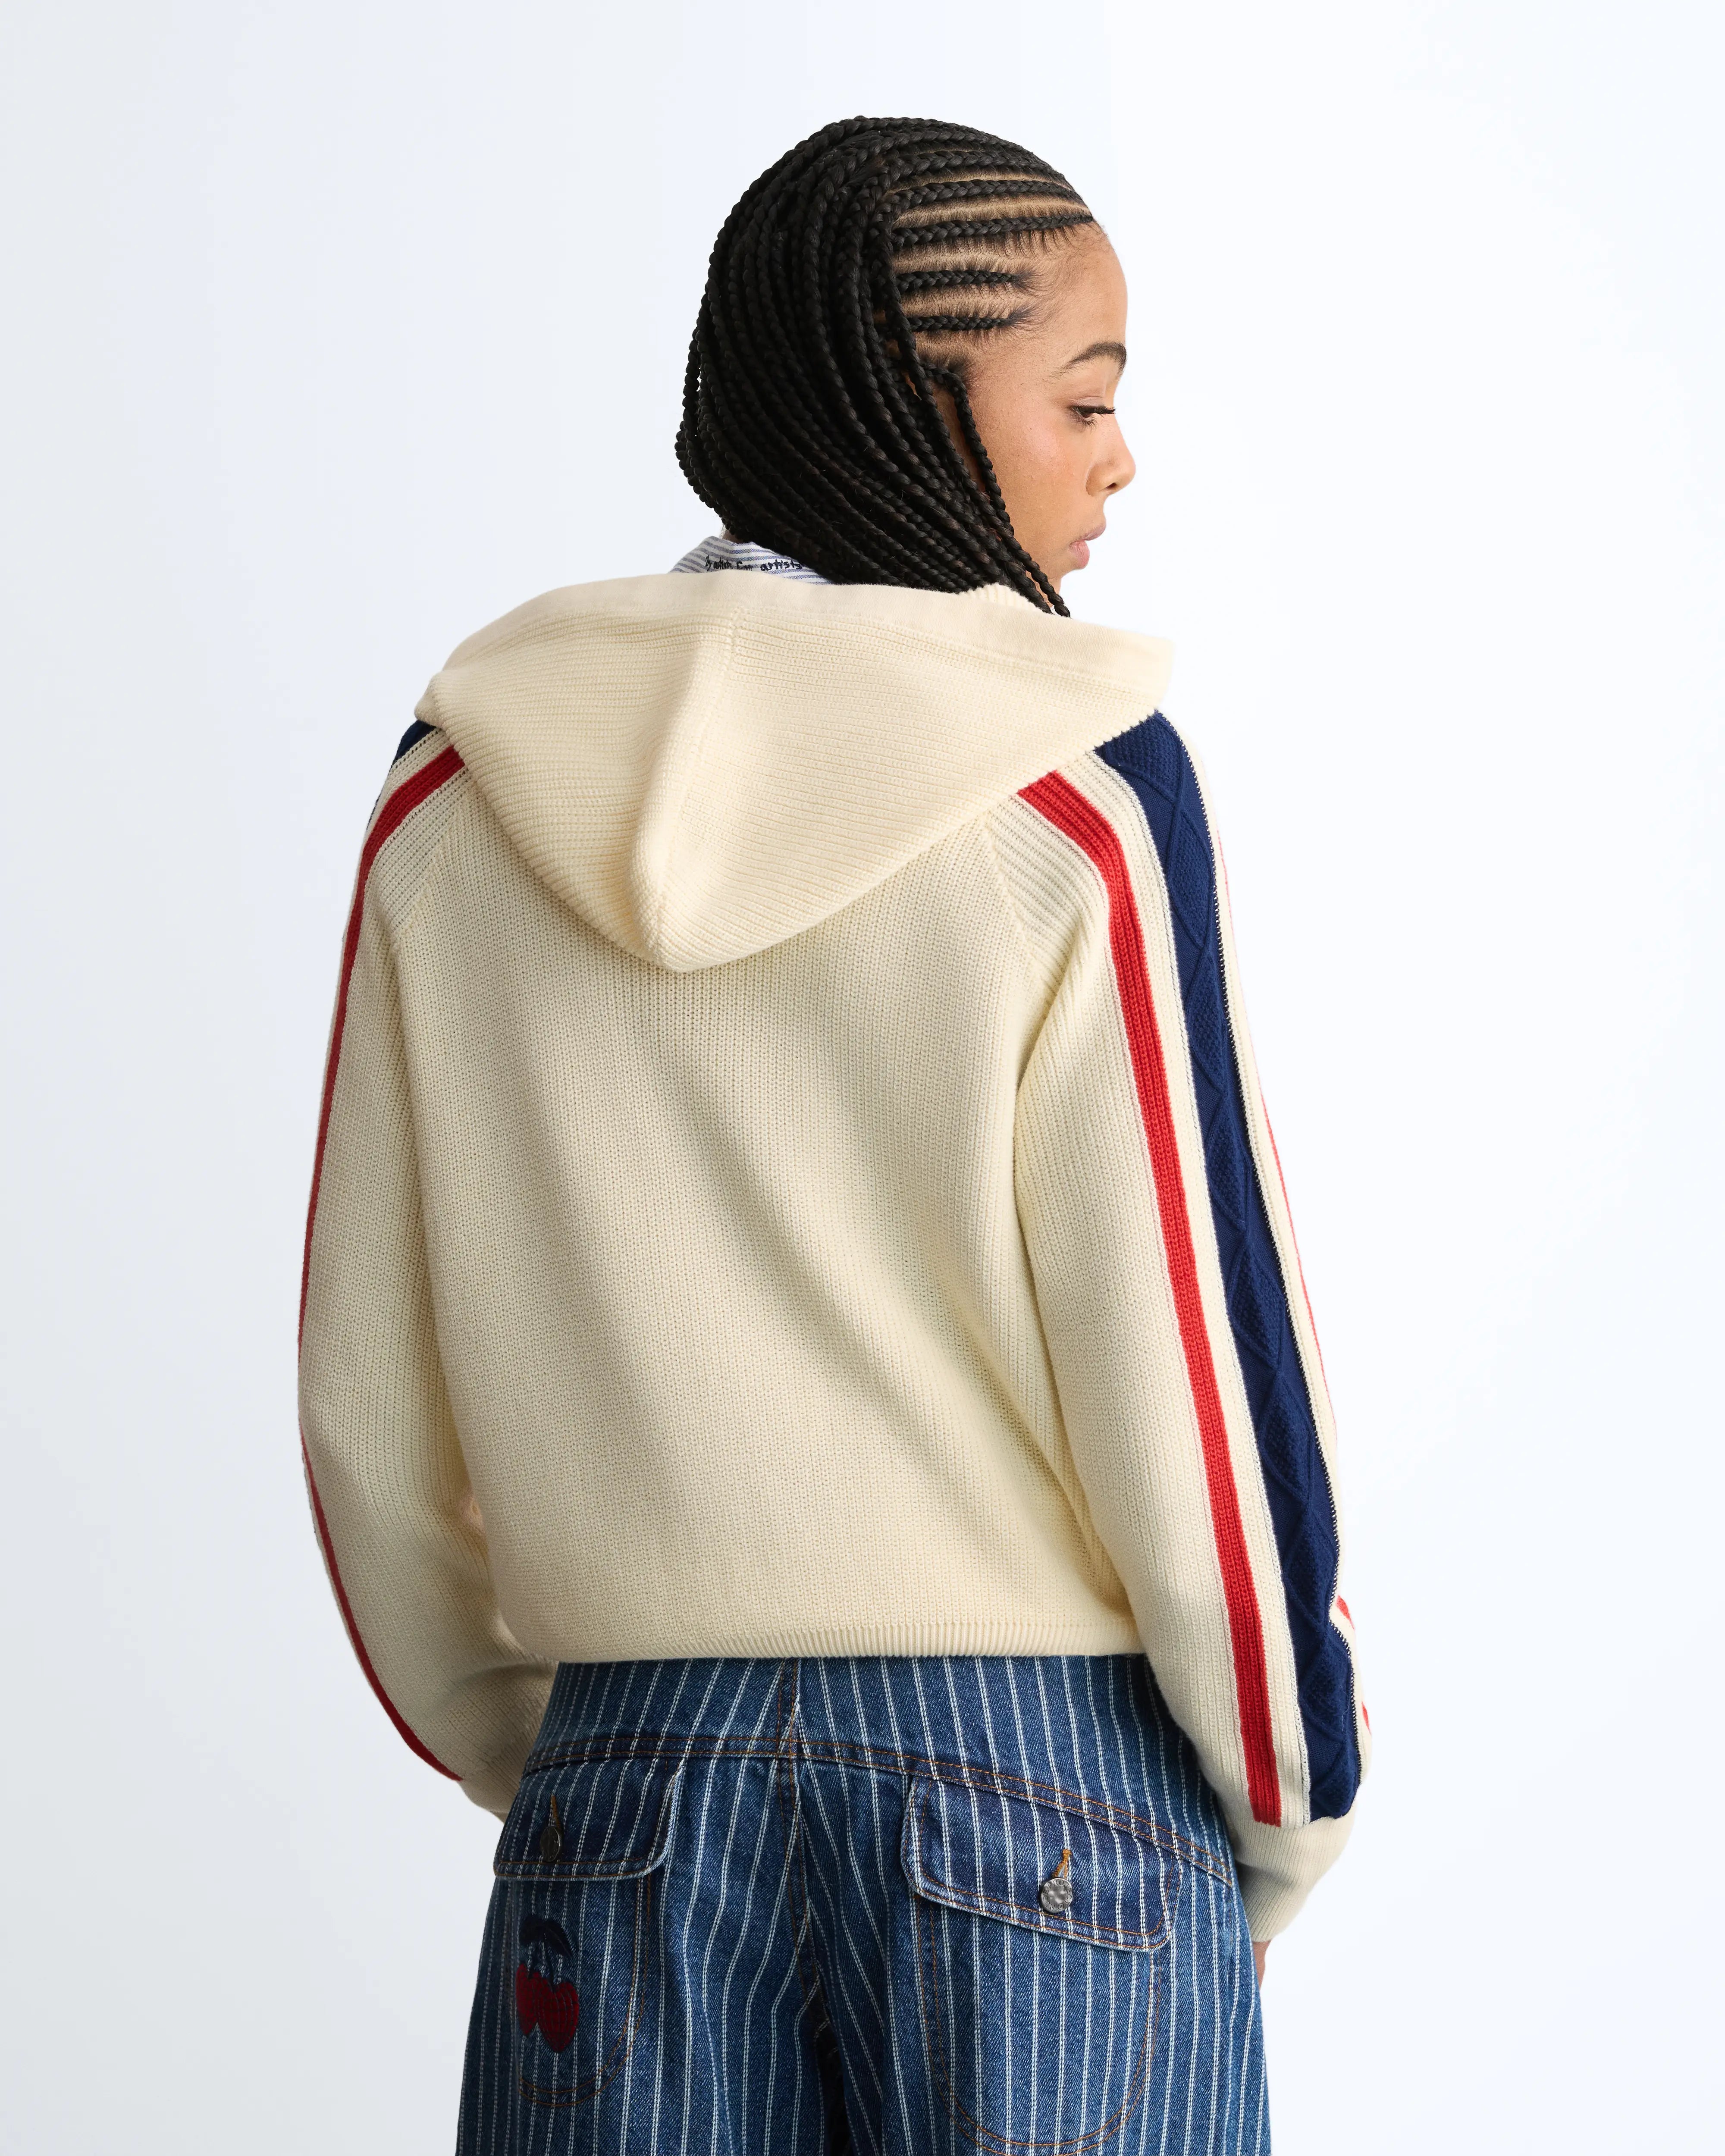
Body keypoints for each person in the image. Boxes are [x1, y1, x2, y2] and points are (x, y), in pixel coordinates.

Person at [298, 116, 1367, 2153]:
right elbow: (1192, 1351)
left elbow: (366, 1387)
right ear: (915, 403)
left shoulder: (457, 792)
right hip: (1046, 1794)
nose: (1119, 461)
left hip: (621, 1779)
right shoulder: (1078, 796)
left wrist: (576, 1752)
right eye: (1083, 400)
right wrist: (1288, 1783)